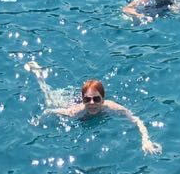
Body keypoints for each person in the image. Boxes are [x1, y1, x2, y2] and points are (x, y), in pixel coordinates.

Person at [25, 59, 161, 155]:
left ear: (103, 99)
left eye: (96, 99)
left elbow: (136, 120)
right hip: (69, 103)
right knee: (49, 99)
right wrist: (39, 120)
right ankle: (38, 74)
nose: (91, 103)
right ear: (83, 100)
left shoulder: (112, 107)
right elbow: (49, 111)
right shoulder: (74, 112)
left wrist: (146, 140)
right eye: (87, 99)